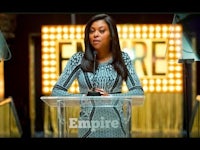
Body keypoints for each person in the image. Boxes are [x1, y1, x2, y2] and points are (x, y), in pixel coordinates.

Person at [51, 13, 144, 138]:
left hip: (116, 128)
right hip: (87, 130)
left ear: (112, 35)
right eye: (91, 31)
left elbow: (138, 92)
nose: (95, 35)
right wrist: (82, 98)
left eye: (101, 31)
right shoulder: (78, 59)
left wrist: (110, 97)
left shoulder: (123, 59)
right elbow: (57, 92)